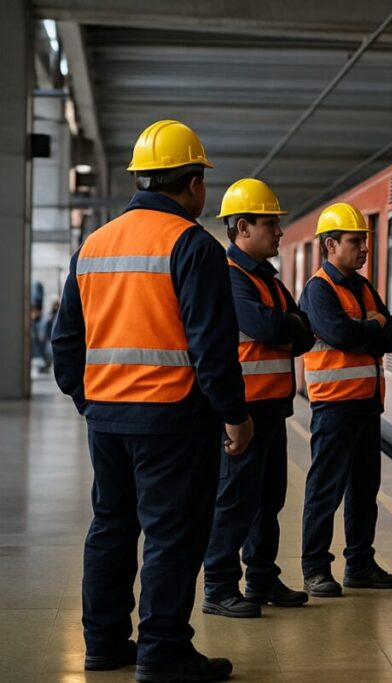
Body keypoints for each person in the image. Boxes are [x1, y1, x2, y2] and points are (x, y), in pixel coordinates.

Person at [51, 120, 252, 683]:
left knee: (111, 526)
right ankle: (163, 652)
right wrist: (234, 415)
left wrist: (91, 402)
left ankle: (104, 644)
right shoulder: (191, 244)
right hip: (173, 418)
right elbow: (212, 346)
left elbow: (65, 343)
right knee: (172, 533)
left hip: (108, 419)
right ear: (192, 183)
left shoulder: (95, 244)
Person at [201, 178, 315, 619]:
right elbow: (270, 328)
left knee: (268, 500)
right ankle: (219, 587)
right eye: (272, 224)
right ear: (243, 227)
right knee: (233, 502)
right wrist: (289, 326)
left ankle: (262, 577)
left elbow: (303, 330)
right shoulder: (229, 277)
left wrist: (288, 325)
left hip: (273, 408)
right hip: (243, 410)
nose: (280, 233)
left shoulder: (266, 278)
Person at [299, 202, 392, 596]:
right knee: (325, 489)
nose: (363, 249)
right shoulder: (317, 290)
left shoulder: (362, 286)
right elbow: (339, 334)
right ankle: (315, 568)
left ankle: (359, 563)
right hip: (334, 405)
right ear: (330, 245)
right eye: (355, 241)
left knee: (364, 490)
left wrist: (369, 327)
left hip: (365, 405)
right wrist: (370, 325)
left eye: (364, 241)